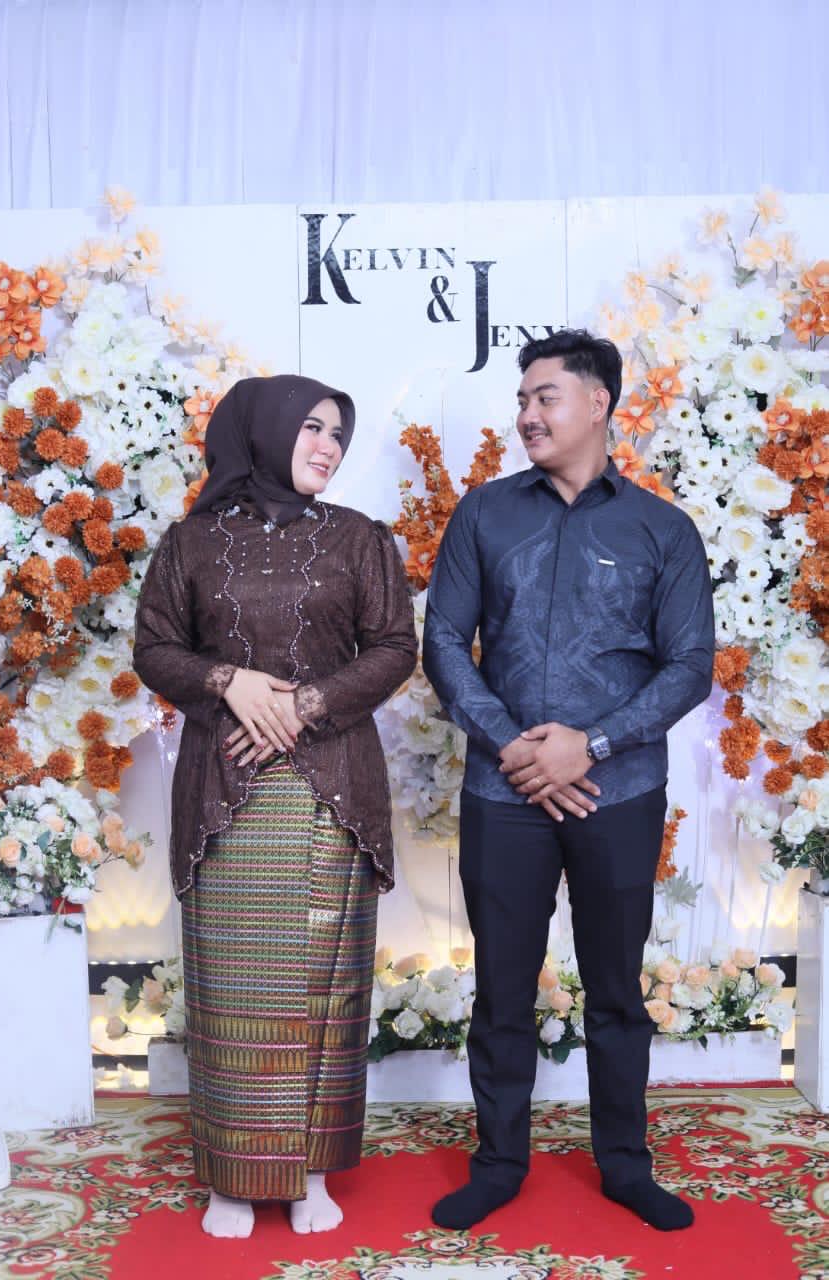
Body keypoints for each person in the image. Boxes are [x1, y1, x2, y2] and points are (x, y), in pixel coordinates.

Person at [423, 329, 714, 1233]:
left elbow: (689, 665)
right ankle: (498, 1164)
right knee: (501, 988)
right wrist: (517, 748)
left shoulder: (662, 529)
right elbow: (444, 642)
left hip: (615, 794)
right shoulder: (483, 514)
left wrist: (589, 745)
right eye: (521, 399)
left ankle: (624, 1165)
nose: (526, 415)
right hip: (501, 792)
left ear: (597, 403)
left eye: (543, 397)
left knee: (616, 989)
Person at [133, 375, 416, 1239]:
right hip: (227, 792)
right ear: (262, 431)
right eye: (311, 428)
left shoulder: (360, 539)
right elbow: (154, 649)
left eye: (337, 433)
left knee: (322, 988)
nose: (328, 446)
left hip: (331, 788)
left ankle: (309, 1176)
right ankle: (231, 1177)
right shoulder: (190, 543)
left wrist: (302, 705)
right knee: (233, 989)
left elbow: (394, 647)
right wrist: (229, 682)